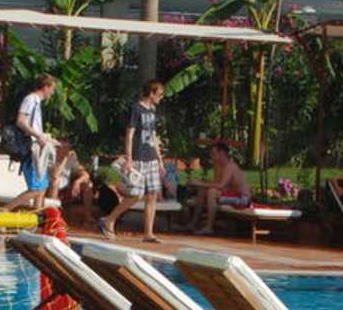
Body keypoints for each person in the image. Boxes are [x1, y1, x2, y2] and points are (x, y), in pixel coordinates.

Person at [100, 80, 166, 243]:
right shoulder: (136, 109)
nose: (161, 97)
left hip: (151, 158)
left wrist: (160, 160)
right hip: (138, 158)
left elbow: (153, 136)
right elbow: (129, 135)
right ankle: (109, 219)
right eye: (159, 94)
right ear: (151, 93)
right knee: (136, 195)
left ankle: (148, 234)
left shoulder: (152, 110)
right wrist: (129, 158)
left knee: (152, 195)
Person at [0, 74, 60, 212]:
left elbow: (32, 125)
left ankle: (37, 216)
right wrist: (38, 136)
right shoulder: (31, 99)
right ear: (45, 87)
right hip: (29, 149)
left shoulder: (36, 102)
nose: (52, 93)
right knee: (35, 189)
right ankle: (4, 209)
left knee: (42, 187)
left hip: (36, 148)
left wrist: (46, 138)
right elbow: (21, 121)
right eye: (52, 89)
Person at [181, 142, 250, 235]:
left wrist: (200, 183)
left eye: (213, 154)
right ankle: (193, 223)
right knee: (202, 190)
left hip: (242, 198)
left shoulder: (230, 166)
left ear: (221, 154)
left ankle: (209, 227)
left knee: (212, 192)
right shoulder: (218, 166)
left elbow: (221, 185)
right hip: (230, 194)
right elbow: (216, 184)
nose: (211, 156)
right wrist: (199, 184)